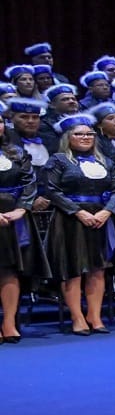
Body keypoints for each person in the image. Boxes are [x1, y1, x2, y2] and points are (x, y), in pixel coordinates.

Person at [44, 114, 115, 335]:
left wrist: (107, 211)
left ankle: (95, 317)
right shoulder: (58, 160)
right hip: (71, 220)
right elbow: (52, 191)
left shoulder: (105, 161)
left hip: (101, 219)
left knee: (98, 270)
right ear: (68, 137)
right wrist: (79, 212)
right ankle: (77, 317)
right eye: (79, 134)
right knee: (74, 269)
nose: (85, 137)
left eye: (89, 133)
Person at [0, 121, 39, 343]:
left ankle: (9, 322)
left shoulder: (16, 152)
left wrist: (22, 208)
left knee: (9, 269)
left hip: (13, 215)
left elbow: (29, 182)